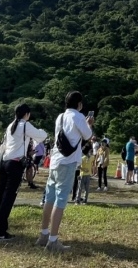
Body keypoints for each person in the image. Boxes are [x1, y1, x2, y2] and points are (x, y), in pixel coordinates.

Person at [36, 90, 94, 252]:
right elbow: (88, 135)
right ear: (79, 104)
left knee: (49, 197)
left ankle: (44, 234)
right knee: (61, 199)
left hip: (55, 160)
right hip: (68, 162)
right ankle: (53, 241)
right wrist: (89, 123)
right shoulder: (78, 116)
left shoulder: (60, 117)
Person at [0, 103, 47, 242]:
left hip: (5, 162)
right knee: (8, 197)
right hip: (15, 164)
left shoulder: (10, 125)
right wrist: (41, 130)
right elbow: (42, 136)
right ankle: (0, 232)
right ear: (27, 114)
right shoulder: (25, 125)